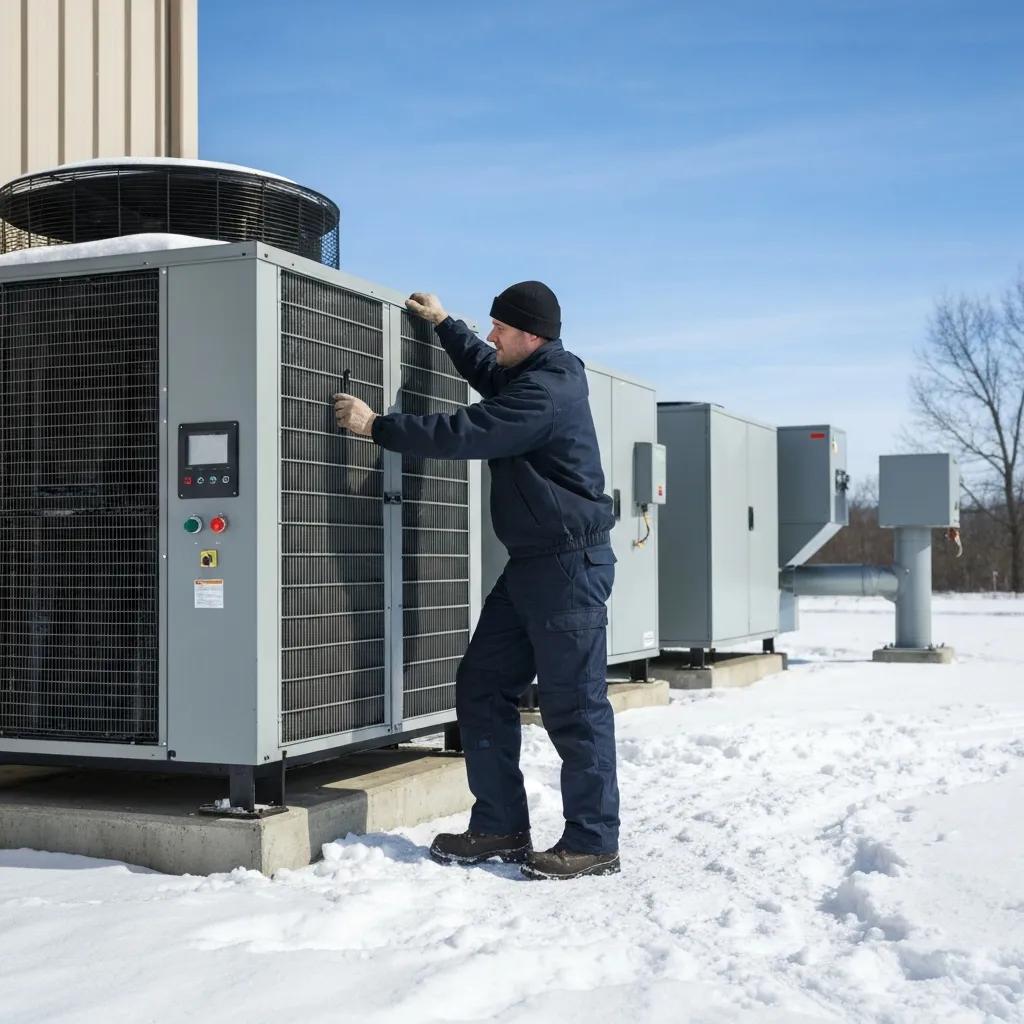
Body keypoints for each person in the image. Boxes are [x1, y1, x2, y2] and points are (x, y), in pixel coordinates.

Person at [334, 281, 619, 880]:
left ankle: (593, 842)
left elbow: (470, 432)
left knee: (574, 706)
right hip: (532, 566)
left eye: (500, 328)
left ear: (531, 335)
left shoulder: (545, 391)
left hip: (568, 567)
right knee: (482, 685)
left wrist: (377, 427)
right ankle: (500, 827)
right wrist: (444, 325)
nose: (491, 337)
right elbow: (489, 369)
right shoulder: (531, 372)